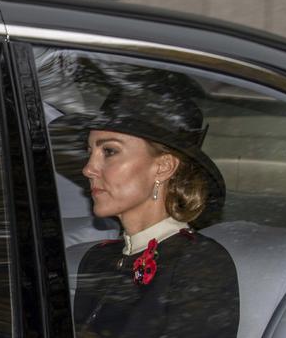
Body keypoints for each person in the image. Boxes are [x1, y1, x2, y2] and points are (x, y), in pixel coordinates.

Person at [58, 75, 239, 337]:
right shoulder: (97, 258)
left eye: (109, 151)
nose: (88, 169)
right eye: (90, 153)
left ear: (164, 166)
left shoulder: (199, 263)